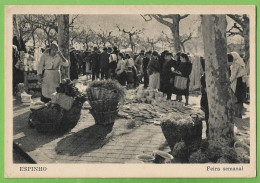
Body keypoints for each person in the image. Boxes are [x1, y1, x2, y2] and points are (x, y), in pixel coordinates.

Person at [227, 52, 247, 118]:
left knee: (236, 99)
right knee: (240, 100)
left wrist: (228, 82)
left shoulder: (236, 64)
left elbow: (233, 76)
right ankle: (239, 115)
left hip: (238, 82)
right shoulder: (241, 63)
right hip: (242, 82)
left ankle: (236, 116)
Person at [199, 57, 209, 137]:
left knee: (208, 118)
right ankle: (208, 134)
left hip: (206, 100)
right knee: (208, 118)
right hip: (207, 100)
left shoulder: (204, 77)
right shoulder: (204, 77)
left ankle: (208, 133)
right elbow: (206, 91)